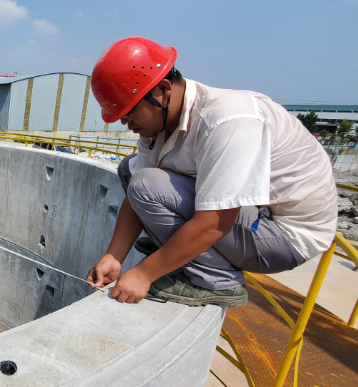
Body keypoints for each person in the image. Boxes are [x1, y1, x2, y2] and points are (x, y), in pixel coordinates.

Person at [85, 37, 337, 308]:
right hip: (248, 215)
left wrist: (145, 274)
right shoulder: (158, 122)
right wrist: (114, 255)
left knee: (146, 184)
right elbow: (135, 199)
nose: (125, 122)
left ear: (162, 89)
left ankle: (216, 279)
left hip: (282, 235)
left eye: (129, 113)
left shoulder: (227, 120)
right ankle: (184, 258)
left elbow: (215, 221)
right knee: (130, 170)